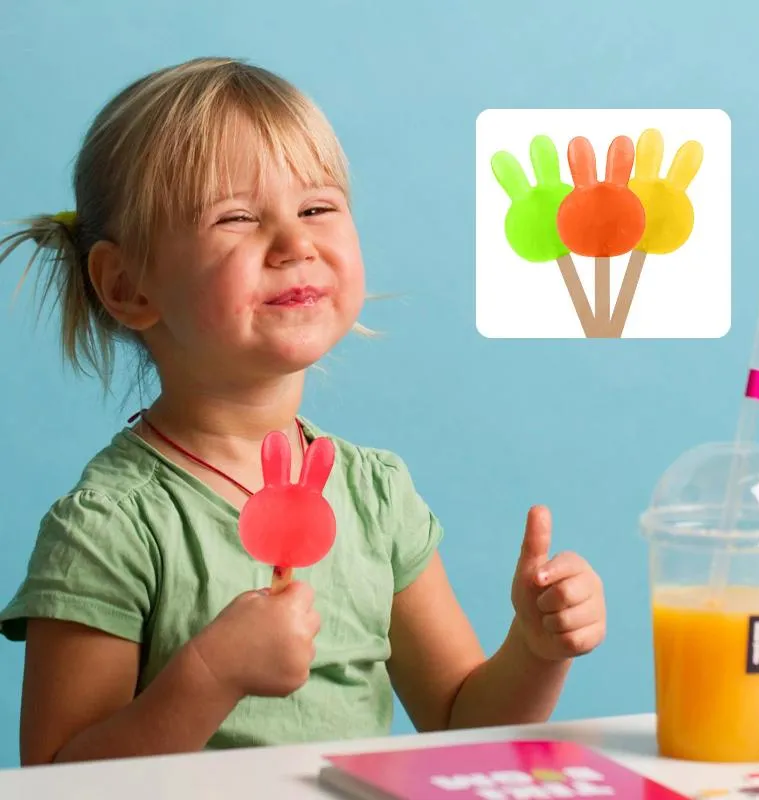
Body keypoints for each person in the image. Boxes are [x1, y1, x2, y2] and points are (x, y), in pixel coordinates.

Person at [0, 57, 606, 766]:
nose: (295, 244)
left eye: (317, 208)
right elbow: (56, 780)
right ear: (128, 285)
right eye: (235, 217)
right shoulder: (111, 527)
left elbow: (459, 724)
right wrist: (208, 677)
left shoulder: (377, 497)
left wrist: (534, 654)